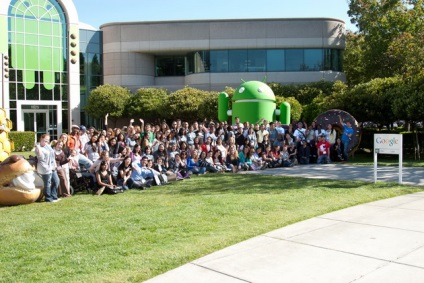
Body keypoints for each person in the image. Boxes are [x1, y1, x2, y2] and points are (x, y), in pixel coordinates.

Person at [35, 134, 60, 202]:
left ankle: (54, 196)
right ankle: (48, 198)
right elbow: (41, 157)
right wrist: (38, 148)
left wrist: (54, 164)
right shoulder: (38, 147)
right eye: (45, 140)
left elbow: (52, 154)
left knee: (56, 180)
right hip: (44, 167)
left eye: (48, 140)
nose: (46, 142)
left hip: (52, 166)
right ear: (41, 139)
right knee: (47, 183)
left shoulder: (47, 146)